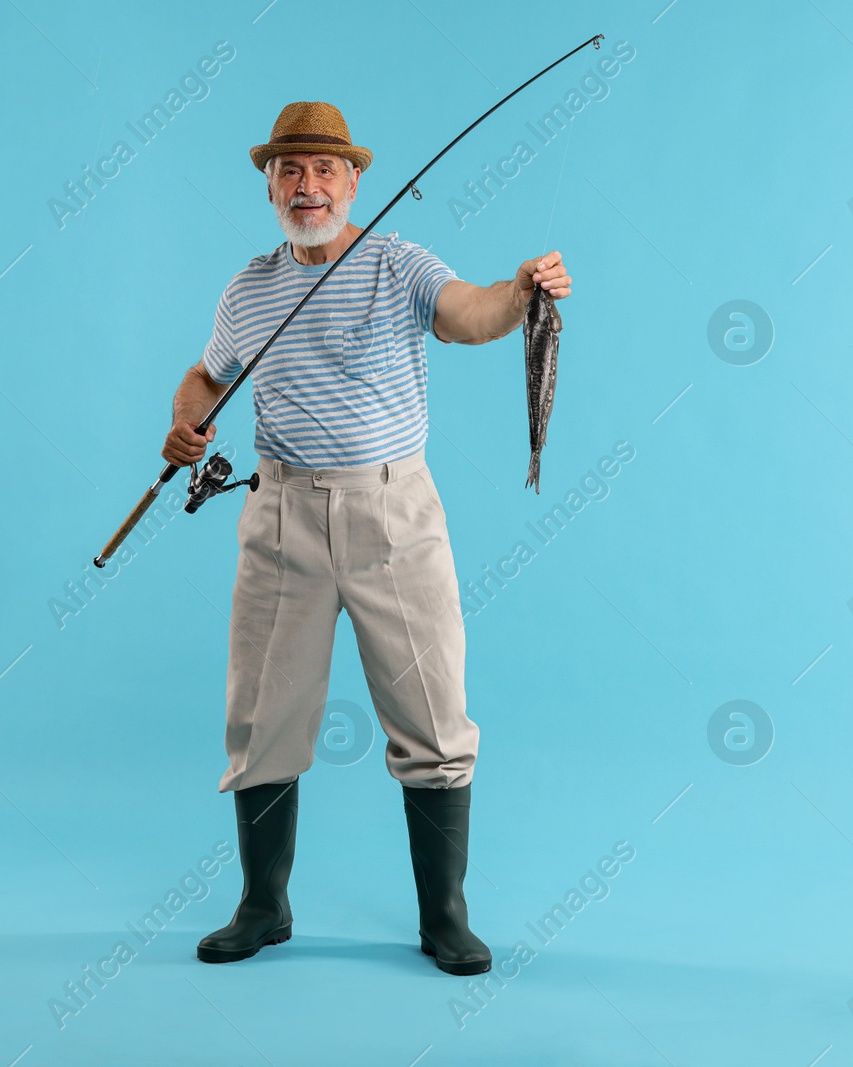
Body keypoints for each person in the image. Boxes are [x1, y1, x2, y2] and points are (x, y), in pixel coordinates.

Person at [165, 101, 571, 976]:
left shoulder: (398, 260)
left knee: (432, 713)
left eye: (324, 170)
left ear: (354, 181)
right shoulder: (249, 288)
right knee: (262, 715)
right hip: (280, 518)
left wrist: (519, 292)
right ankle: (263, 905)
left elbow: (467, 312)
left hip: (394, 515)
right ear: (269, 183)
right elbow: (206, 376)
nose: (307, 186)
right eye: (289, 170)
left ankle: (445, 916)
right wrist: (185, 423)